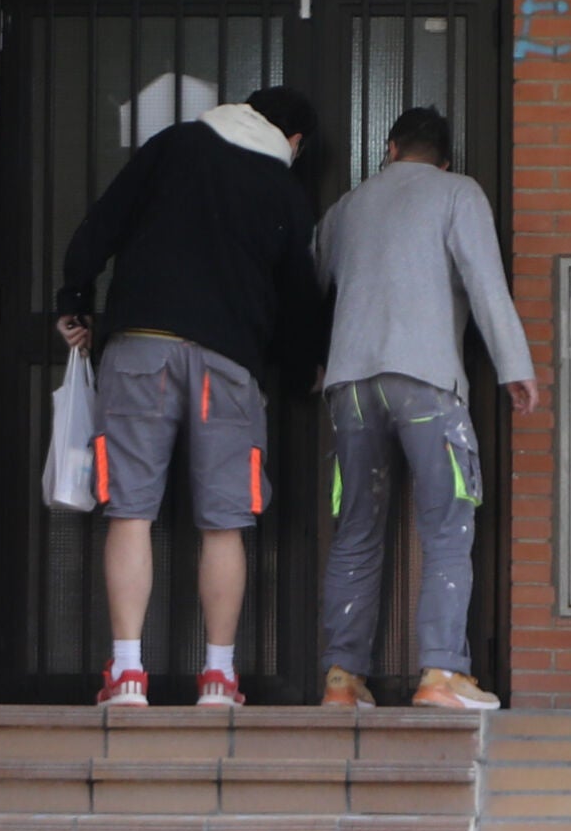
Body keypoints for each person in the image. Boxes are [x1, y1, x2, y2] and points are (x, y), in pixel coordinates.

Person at [54, 86, 323, 708]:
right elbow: (298, 295)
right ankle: (219, 678)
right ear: (295, 141)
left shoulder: (174, 144)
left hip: (141, 347)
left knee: (130, 512)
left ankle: (127, 674)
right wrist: (302, 365)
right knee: (225, 523)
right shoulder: (284, 189)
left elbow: (102, 223)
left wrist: (75, 299)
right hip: (227, 363)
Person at [314, 106, 538, 711]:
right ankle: (440, 674)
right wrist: (514, 366)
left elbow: (310, 282)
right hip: (426, 382)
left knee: (356, 531)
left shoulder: (347, 207)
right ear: (444, 160)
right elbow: (486, 283)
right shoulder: (458, 193)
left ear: (389, 149)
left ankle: (342, 680)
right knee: (446, 528)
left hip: (351, 386)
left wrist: (314, 360)